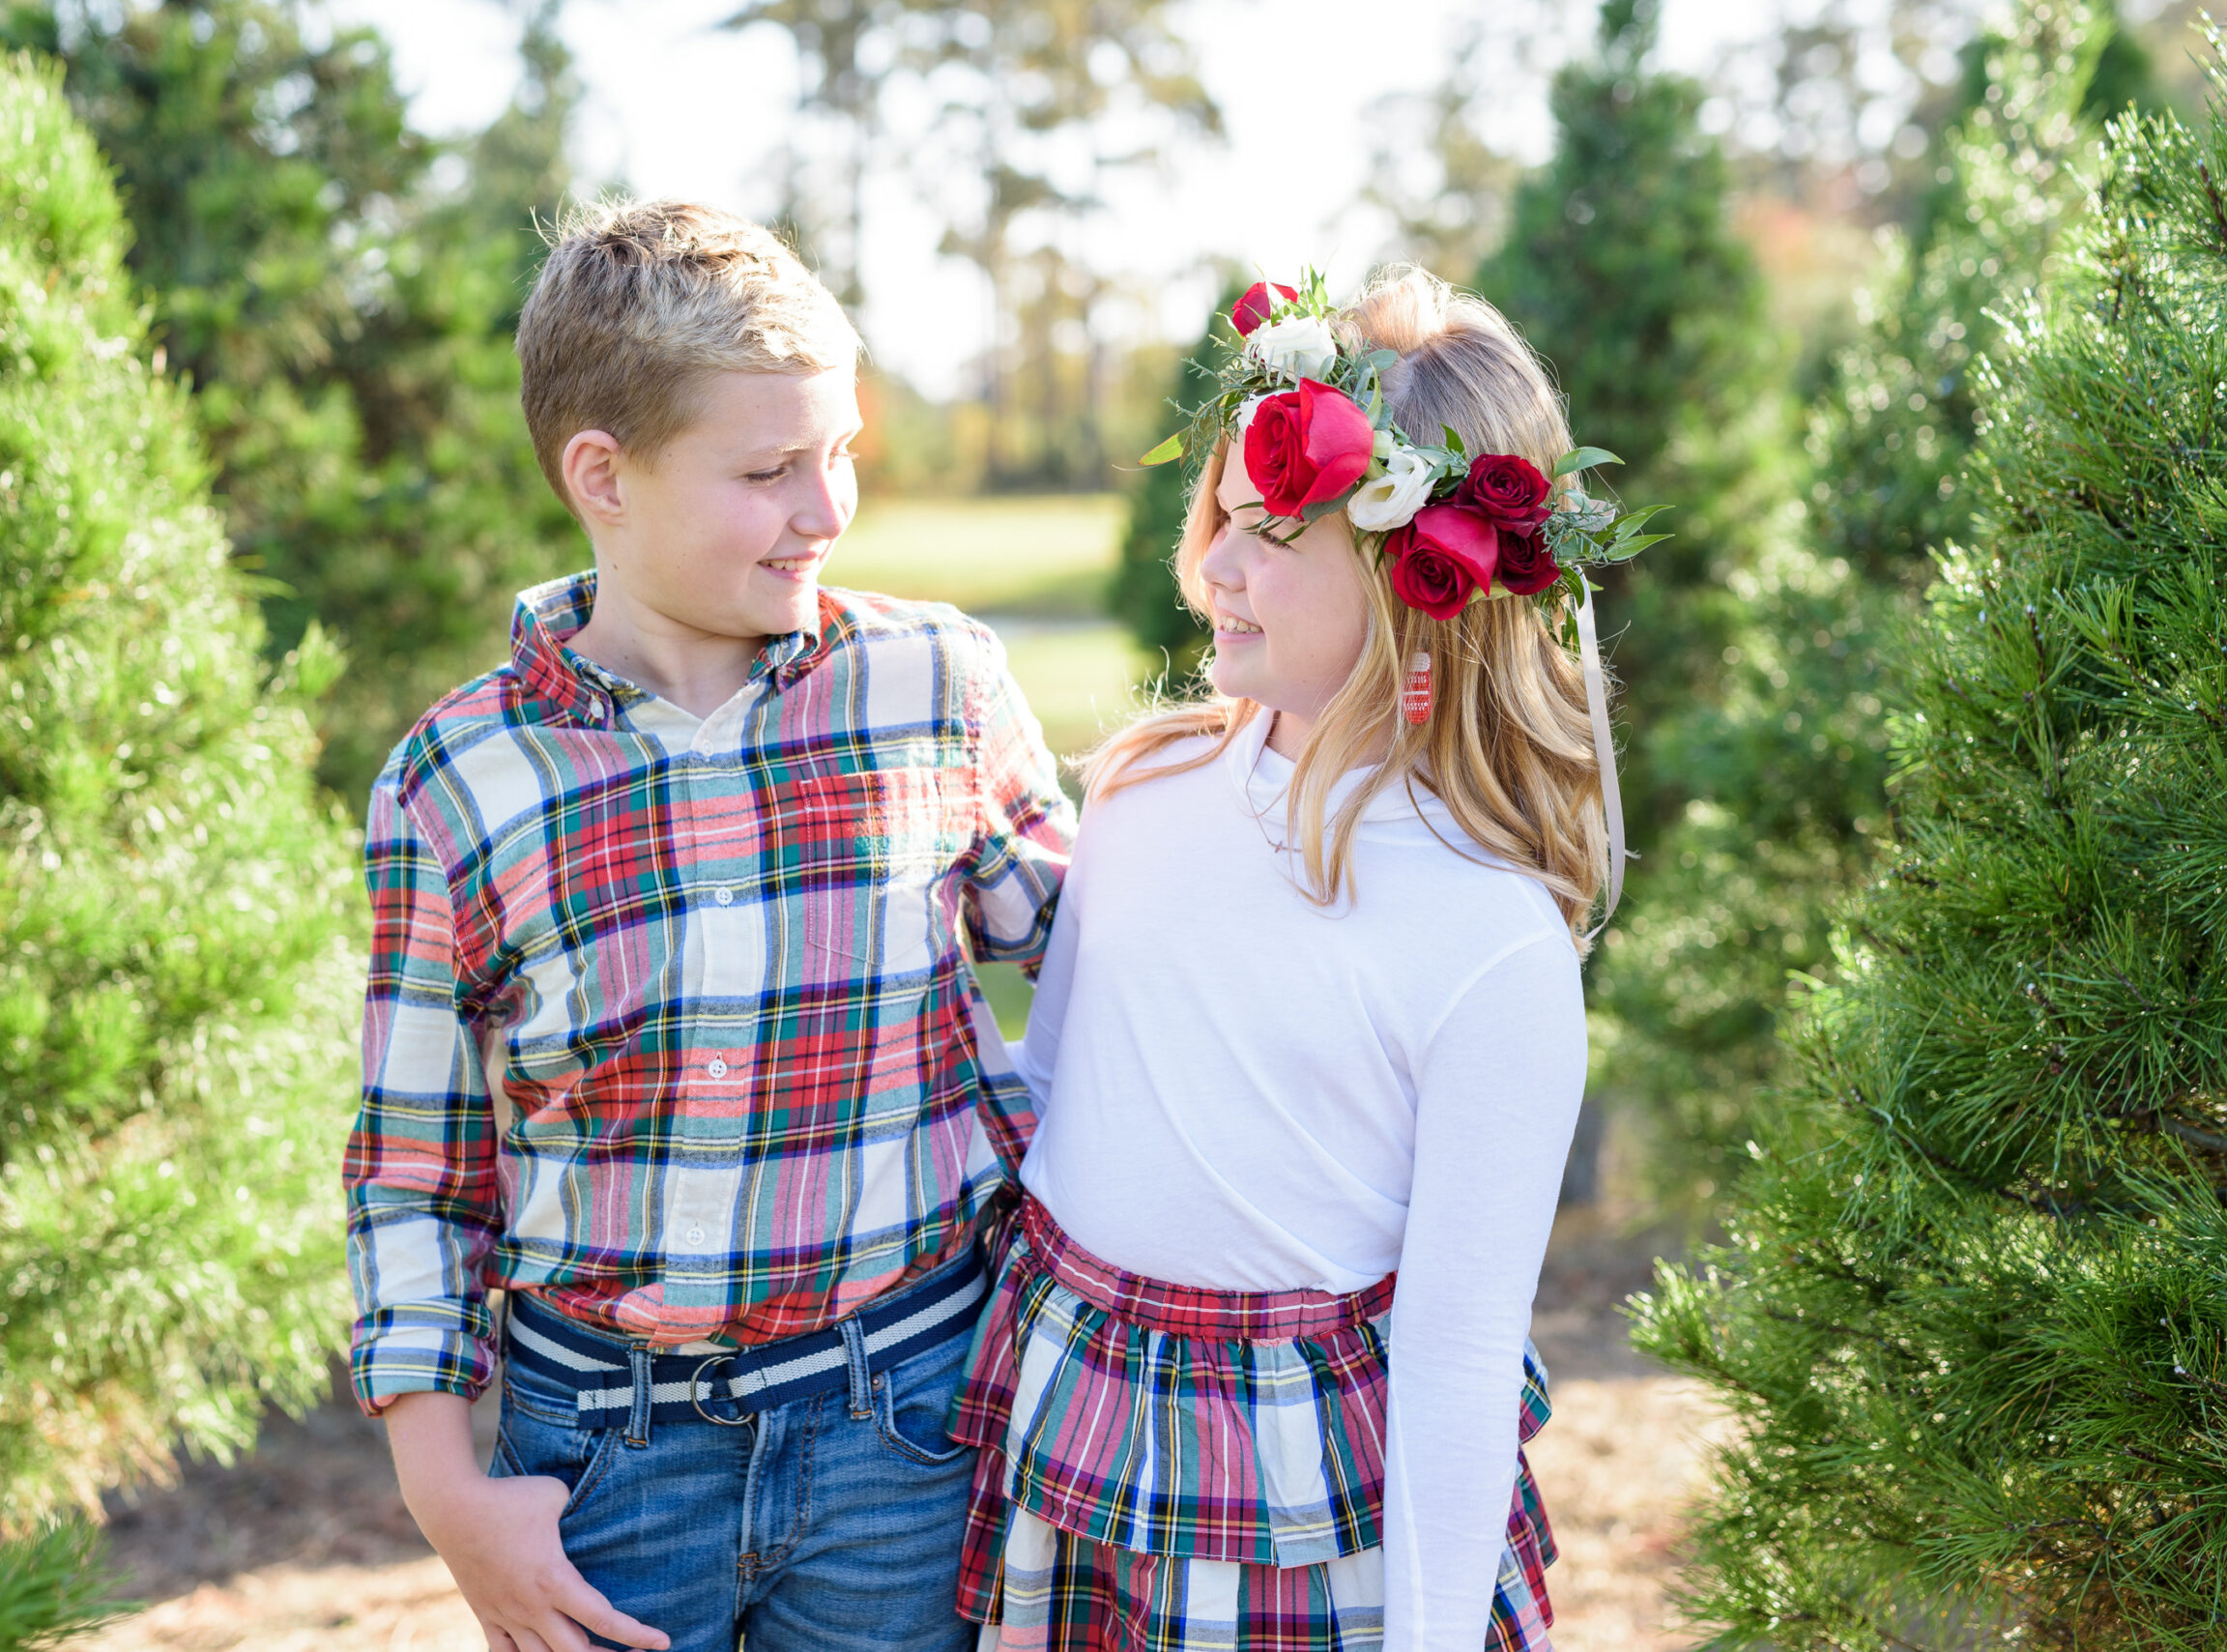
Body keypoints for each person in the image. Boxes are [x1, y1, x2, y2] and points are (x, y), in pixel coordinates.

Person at [343, 198, 1074, 1652]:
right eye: (769, 469)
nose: (827, 507)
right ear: (601, 474)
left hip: (908, 1428)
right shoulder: (458, 783)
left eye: (841, 453)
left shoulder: (932, 683)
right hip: (603, 1465)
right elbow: (417, 1171)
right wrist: (449, 1496)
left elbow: (1097, 940)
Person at [951, 264, 1651, 1652]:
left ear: (1415, 572)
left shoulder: (1487, 933)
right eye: (1217, 513)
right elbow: (1056, 1098)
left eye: (1270, 531)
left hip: (1301, 1493)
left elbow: (1455, 1352)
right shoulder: (1144, 788)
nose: (1211, 562)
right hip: (1075, 1412)